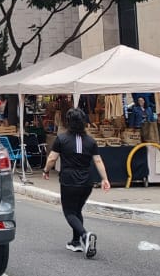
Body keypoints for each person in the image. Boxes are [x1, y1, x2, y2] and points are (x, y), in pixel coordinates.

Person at [43, 108, 110, 258]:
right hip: (87, 181)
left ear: (68, 122)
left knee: (69, 212)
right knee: (77, 210)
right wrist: (105, 179)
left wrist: (46, 170)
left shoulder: (61, 139)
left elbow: (52, 158)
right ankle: (75, 242)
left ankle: (85, 236)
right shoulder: (91, 141)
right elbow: (98, 160)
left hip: (69, 180)